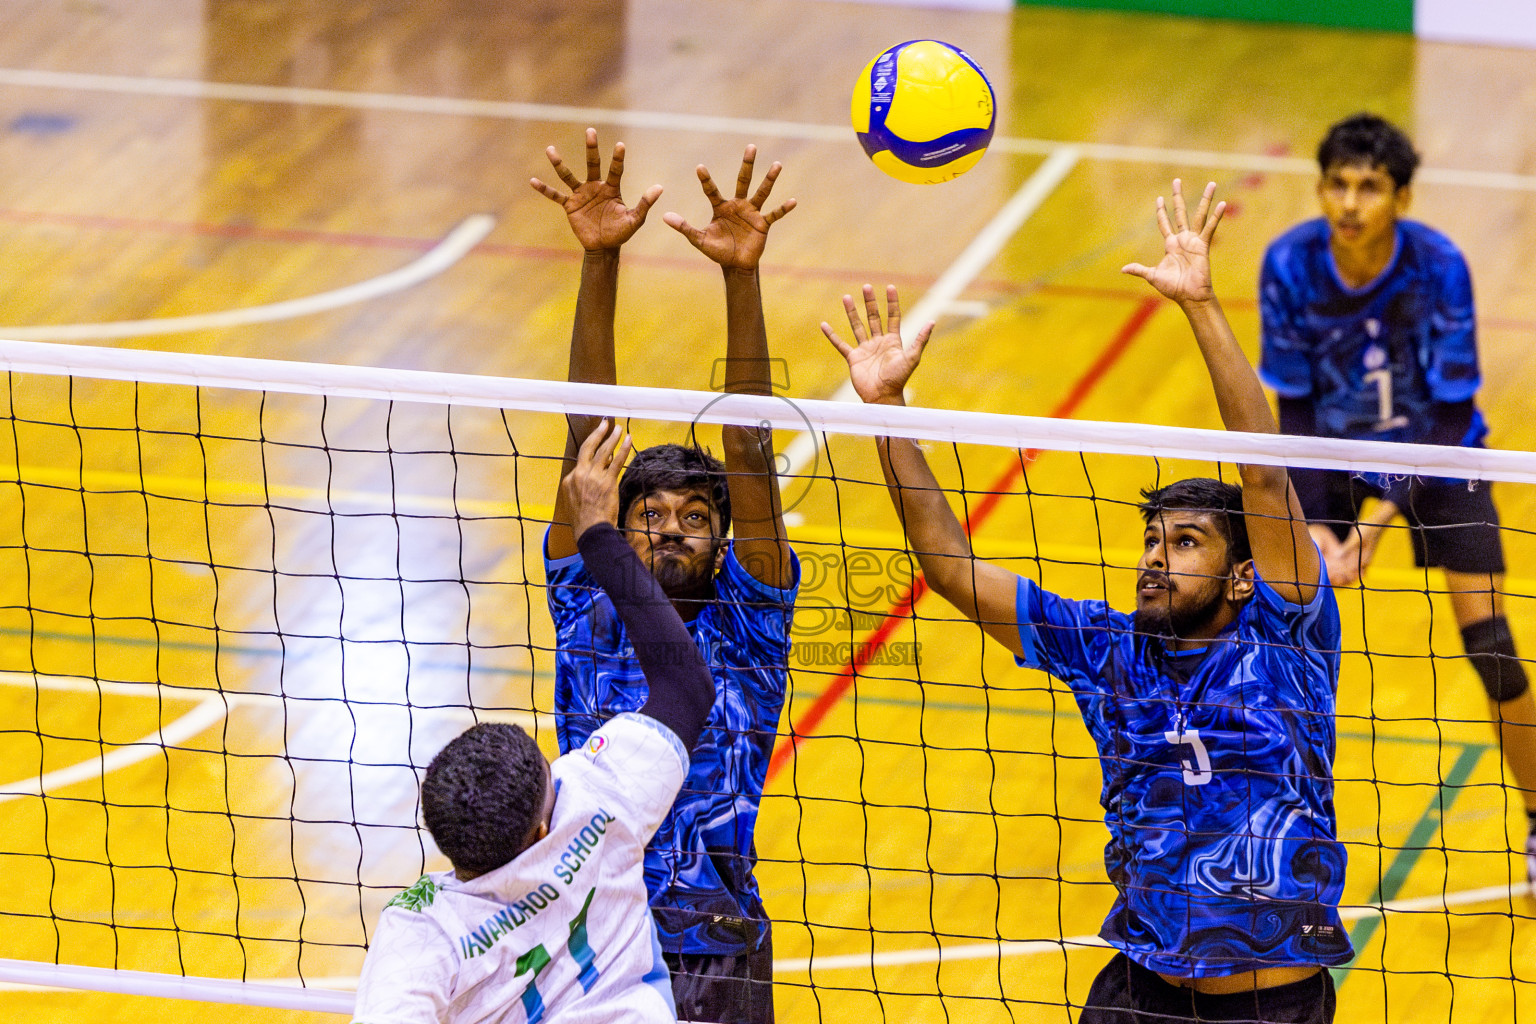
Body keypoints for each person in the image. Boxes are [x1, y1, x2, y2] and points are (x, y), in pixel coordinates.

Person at [825, 182, 1348, 1023]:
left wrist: (1203, 306)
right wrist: (887, 413)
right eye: (1152, 539)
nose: (1153, 559)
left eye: (1184, 543)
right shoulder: (1109, 649)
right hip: (1136, 996)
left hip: (1270, 1006)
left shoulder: (1285, 635)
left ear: (1243, 576)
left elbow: (1263, 472)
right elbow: (954, 569)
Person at [531, 130, 799, 1023]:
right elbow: (586, 439)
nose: (674, 533)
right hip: (588, 939)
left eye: (696, 519)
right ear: (618, 523)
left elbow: (751, 451)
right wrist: (600, 262)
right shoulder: (587, 604)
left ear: (723, 541)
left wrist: (742, 276)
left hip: (718, 949)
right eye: (651, 518)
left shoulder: (752, 622)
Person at [353, 421, 719, 1023]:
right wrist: (599, 533)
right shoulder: (599, 805)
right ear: (543, 820)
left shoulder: (421, 930)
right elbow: (685, 686)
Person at [1258, 112, 1536, 882]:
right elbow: (1296, 406)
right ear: (1319, 188)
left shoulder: (1439, 265)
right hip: (1328, 459)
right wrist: (1317, 522)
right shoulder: (1288, 263)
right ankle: (1266, 825)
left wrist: (1375, 524)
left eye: (1370, 188)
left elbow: (1448, 418)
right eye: (1337, 185)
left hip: (1440, 455)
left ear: (1401, 199)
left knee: (1494, 651)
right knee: (1266, 636)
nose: (1349, 203)